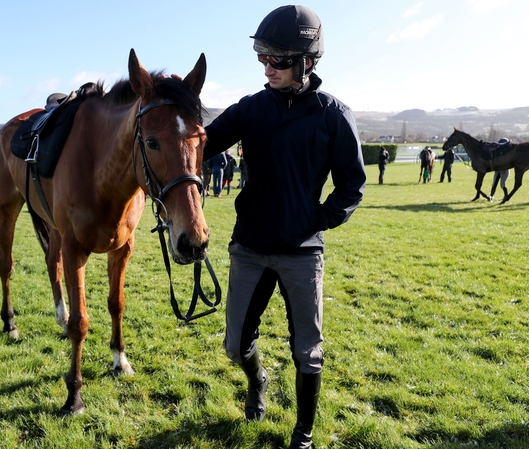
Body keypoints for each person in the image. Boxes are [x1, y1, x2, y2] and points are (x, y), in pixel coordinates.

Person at [202, 6, 366, 448]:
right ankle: (258, 382)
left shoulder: (333, 115)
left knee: (307, 351)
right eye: (262, 57)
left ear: (306, 61)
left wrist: (317, 220)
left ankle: (304, 433)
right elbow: (201, 144)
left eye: (277, 59)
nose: (267, 68)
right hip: (250, 247)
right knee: (235, 345)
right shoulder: (249, 109)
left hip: (301, 252)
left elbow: (352, 185)